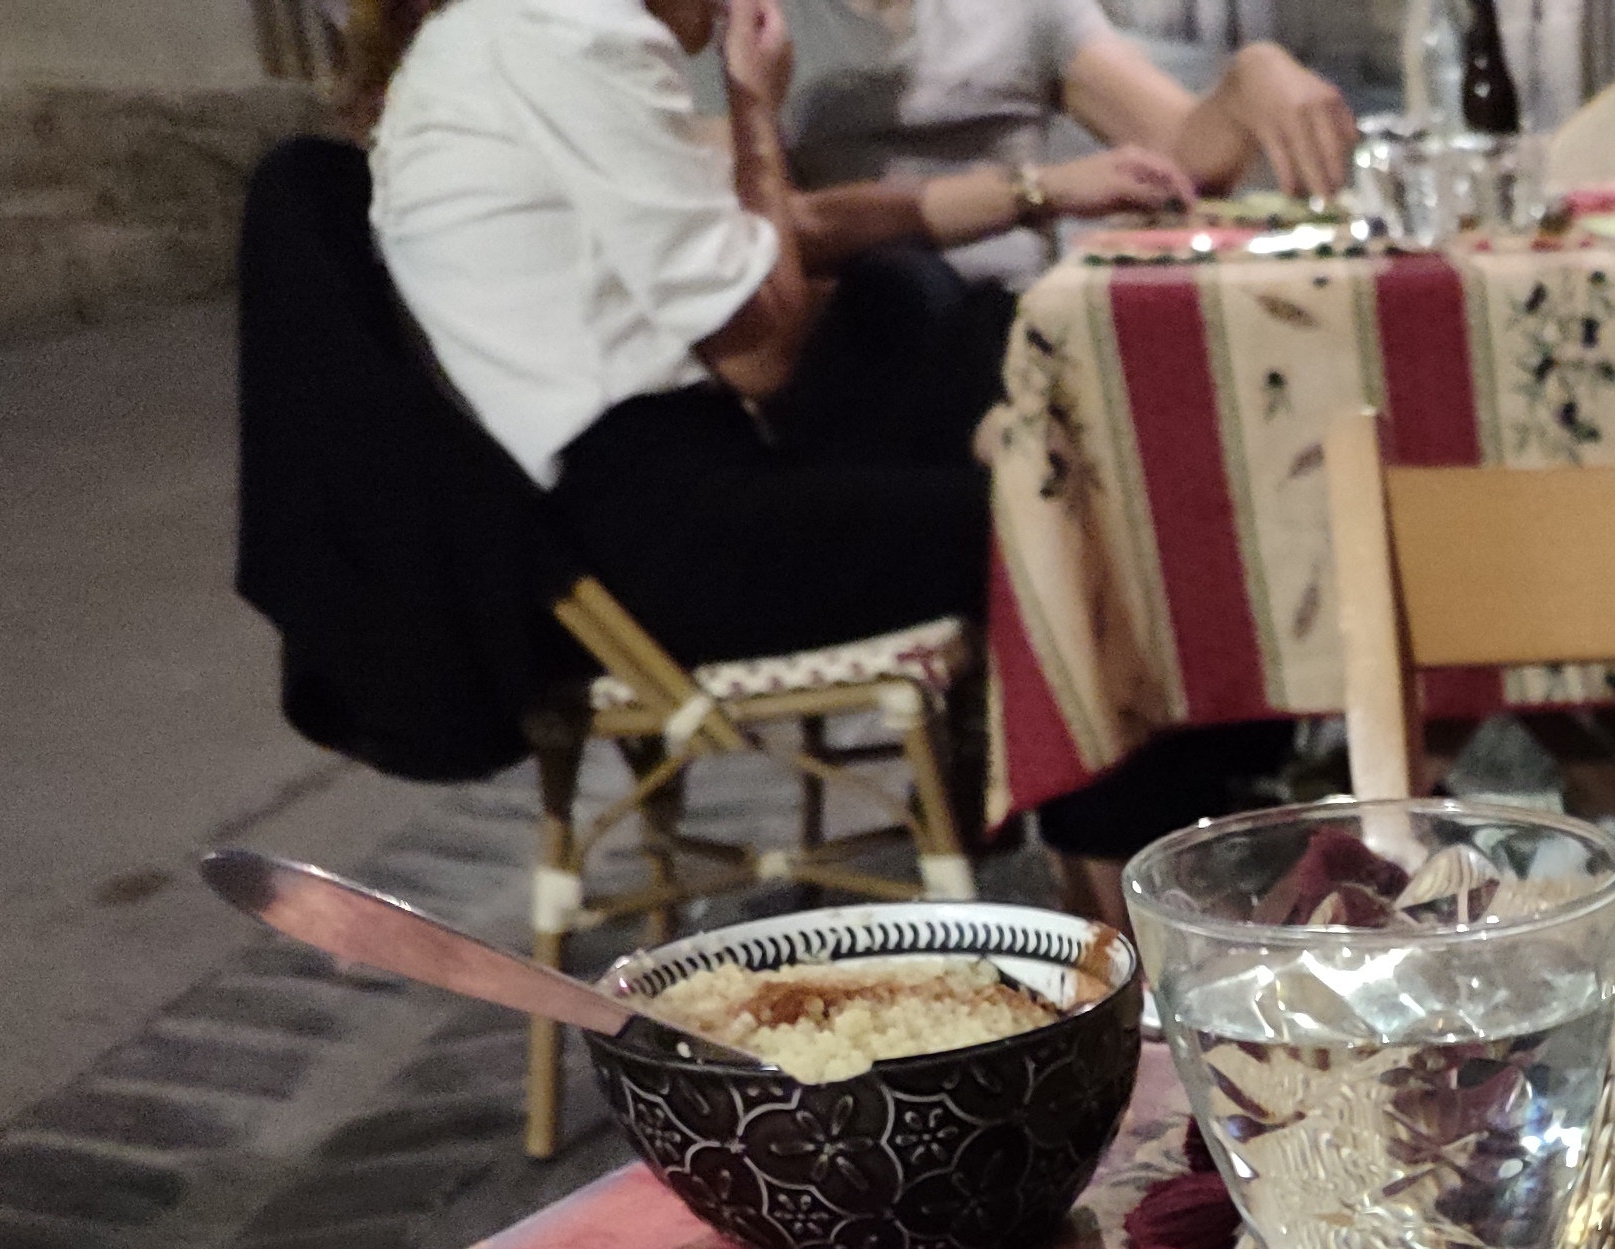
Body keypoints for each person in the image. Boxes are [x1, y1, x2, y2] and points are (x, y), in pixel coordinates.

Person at [361, 0, 1286, 861]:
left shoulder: (498, 36)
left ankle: (1156, 859)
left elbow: (757, 278)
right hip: (663, 533)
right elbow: (761, 351)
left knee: (1045, 466)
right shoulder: (574, 40)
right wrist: (753, 108)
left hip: (630, 511)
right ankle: (1158, 889)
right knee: (1089, 526)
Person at [784, 0, 1363, 293]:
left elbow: (1181, 159)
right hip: (849, 349)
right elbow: (775, 235)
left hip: (1016, 325)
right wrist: (1038, 190)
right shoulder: (759, 22)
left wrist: (1251, 79)